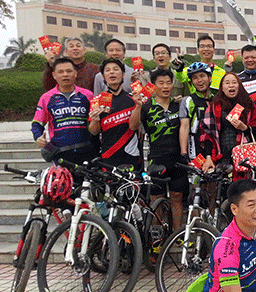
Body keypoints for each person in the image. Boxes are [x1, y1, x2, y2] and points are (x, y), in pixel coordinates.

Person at [137, 68, 186, 229]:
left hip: (177, 158)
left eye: (168, 83)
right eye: (161, 83)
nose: (165, 86)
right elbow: (133, 126)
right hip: (156, 159)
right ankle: (156, 234)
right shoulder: (146, 107)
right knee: (156, 198)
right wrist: (137, 106)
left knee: (177, 196)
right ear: (153, 85)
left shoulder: (178, 105)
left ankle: (177, 234)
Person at [32, 57, 97, 164]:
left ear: (75, 73)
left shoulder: (88, 95)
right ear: (54, 75)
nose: (65, 74)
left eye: (69, 71)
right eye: (61, 72)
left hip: (86, 151)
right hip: (60, 153)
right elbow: (37, 123)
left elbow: (95, 122)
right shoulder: (46, 97)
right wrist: (38, 138)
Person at [200, 72, 256, 176]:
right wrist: (208, 157)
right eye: (227, 83)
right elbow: (208, 134)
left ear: (239, 86)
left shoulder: (249, 106)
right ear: (222, 88)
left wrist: (245, 128)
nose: (231, 85)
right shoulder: (214, 107)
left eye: (234, 82)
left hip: (244, 155)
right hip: (221, 155)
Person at [88, 58, 142, 168]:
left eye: (116, 69)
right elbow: (94, 132)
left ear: (123, 75)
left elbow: (133, 126)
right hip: (108, 155)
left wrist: (138, 106)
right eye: (107, 70)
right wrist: (95, 119)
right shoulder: (97, 101)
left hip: (131, 154)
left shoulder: (133, 99)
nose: (112, 72)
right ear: (103, 76)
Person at [180, 62, 215, 168]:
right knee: (197, 176)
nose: (199, 80)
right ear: (191, 82)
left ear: (210, 78)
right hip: (195, 147)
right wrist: (183, 152)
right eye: (195, 78)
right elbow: (184, 127)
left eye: (202, 76)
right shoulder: (188, 101)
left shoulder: (217, 100)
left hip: (214, 147)